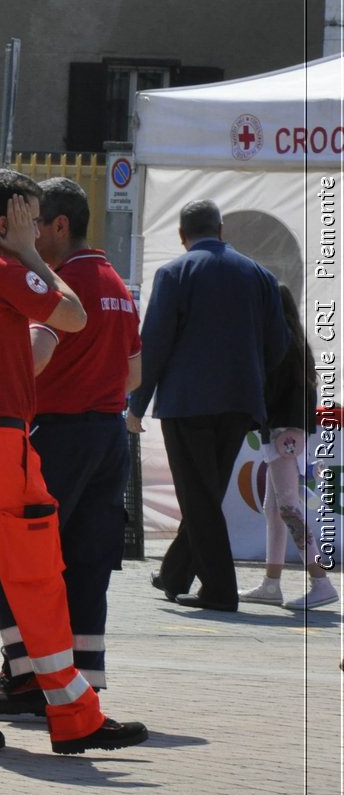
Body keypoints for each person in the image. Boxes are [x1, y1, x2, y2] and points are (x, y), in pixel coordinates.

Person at [0, 168, 146, 753]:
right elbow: (71, 314)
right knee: (38, 578)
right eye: (29, 220)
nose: (37, 233)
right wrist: (30, 259)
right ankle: (75, 713)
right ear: (5, 221)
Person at [0, 177, 142, 716]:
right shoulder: (114, 279)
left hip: (56, 435)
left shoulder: (63, 281)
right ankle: (81, 680)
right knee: (88, 563)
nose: (25, 233)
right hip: (108, 435)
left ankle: (23, 673)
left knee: (18, 555)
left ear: (58, 226)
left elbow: (36, 355)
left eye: (34, 222)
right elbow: (134, 373)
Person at [129, 199, 288, 612]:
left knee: (198, 495)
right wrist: (253, 381)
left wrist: (136, 404)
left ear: (182, 236)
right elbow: (278, 345)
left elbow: (157, 344)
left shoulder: (175, 272)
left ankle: (220, 590)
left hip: (187, 403)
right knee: (207, 491)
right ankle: (176, 573)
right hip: (240, 402)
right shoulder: (260, 276)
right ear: (221, 230)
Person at [241, 285, 337, 610]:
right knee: (276, 507)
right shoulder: (297, 343)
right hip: (288, 431)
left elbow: (270, 388)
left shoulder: (278, 343)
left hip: (282, 432)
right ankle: (272, 583)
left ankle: (320, 581)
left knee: (287, 507)